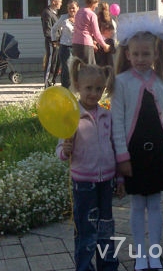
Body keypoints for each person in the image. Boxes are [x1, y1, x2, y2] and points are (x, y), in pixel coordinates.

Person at [111, 16, 163, 271]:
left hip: (158, 152)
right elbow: (118, 123)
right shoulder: (121, 82)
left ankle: (154, 254)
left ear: (155, 54)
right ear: (127, 54)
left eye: (146, 54)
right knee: (138, 204)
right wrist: (122, 157)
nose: (141, 58)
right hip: (134, 154)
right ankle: (140, 255)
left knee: (155, 204)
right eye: (136, 54)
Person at [56, 58, 122, 271]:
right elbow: (60, 149)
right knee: (86, 229)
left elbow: (115, 146)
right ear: (77, 86)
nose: (94, 93)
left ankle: (108, 266)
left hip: (107, 182)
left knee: (106, 227)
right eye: (88, 88)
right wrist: (65, 151)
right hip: (84, 184)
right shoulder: (72, 116)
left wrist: (120, 178)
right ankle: (84, 267)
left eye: (98, 89)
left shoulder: (107, 116)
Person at [72, 0, 110, 65]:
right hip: (85, 44)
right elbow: (96, 33)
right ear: (93, 2)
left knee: (77, 67)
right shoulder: (92, 15)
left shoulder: (78, 12)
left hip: (75, 43)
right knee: (89, 67)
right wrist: (104, 45)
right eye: (97, 3)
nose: (97, 5)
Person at [51, 0, 79, 89]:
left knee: (76, 68)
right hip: (65, 46)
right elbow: (54, 29)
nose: (71, 10)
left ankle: (75, 87)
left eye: (73, 8)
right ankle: (65, 88)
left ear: (78, 8)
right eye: (69, 8)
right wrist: (54, 40)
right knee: (66, 68)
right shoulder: (63, 18)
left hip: (77, 46)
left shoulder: (80, 18)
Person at [42, 0, 63, 87]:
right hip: (52, 43)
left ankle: (52, 81)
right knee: (51, 62)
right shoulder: (47, 13)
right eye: (60, 2)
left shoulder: (54, 13)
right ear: (54, 2)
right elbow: (48, 30)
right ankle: (47, 83)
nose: (61, 4)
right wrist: (54, 41)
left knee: (56, 63)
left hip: (58, 42)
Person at [94, 2, 117, 67]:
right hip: (109, 43)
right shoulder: (111, 21)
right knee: (109, 64)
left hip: (99, 43)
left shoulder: (96, 19)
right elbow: (114, 33)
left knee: (100, 64)